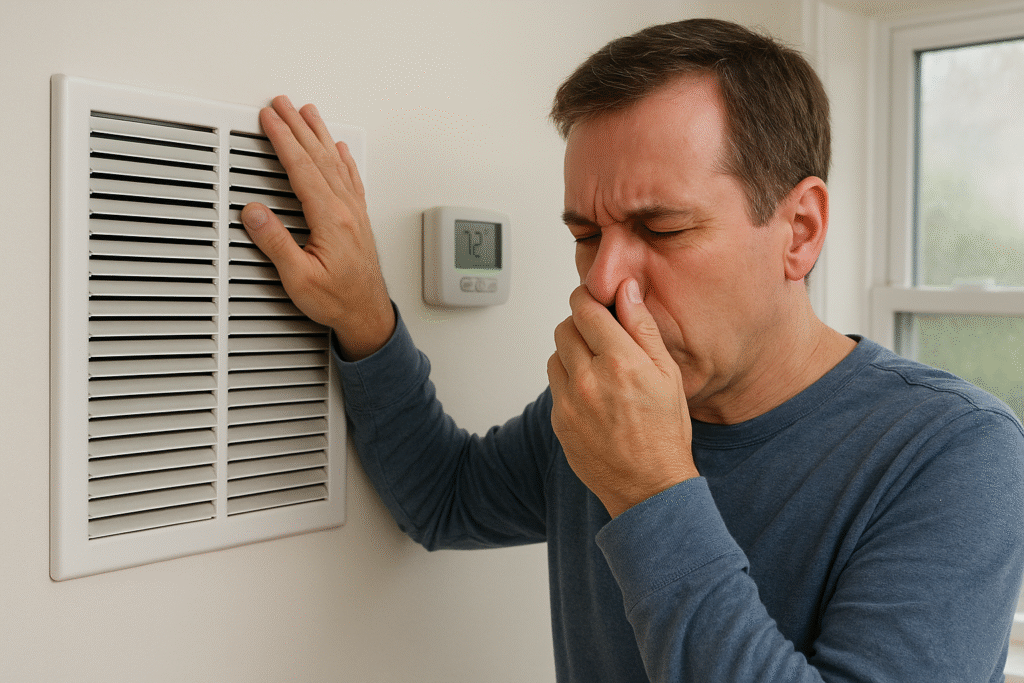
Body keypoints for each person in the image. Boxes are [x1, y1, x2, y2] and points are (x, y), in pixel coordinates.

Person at [240, 18, 1024, 683]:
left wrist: (650, 489)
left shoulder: (957, 452)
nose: (604, 279)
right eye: (585, 234)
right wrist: (363, 313)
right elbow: (445, 498)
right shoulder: (611, 404)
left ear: (800, 230)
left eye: (661, 229)